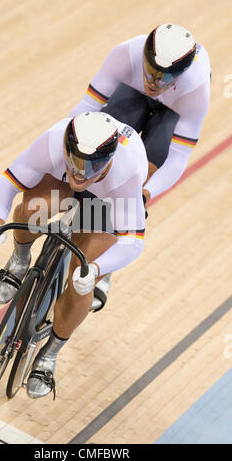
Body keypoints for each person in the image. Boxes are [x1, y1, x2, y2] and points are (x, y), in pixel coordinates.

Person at [0, 111, 147, 399]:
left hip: (104, 202)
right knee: (34, 210)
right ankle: (19, 262)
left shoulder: (127, 169)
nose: (81, 171)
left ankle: (49, 355)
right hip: (62, 185)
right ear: (67, 146)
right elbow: (7, 182)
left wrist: (95, 270)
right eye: (75, 160)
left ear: (109, 160)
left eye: (92, 164)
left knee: (81, 279)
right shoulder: (54, 140)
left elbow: (133, 241)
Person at [70, 23, 211, 308]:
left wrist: (145, 193)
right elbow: (85, 110)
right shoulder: (127, 54)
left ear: (181, 74)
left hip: (173, 109)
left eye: (166, 76)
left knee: (143, 171)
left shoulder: (196, 89)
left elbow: (178, 157)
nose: (155, 81)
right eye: (151, 70)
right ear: (144, 56)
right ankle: (90, 220)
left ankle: (107, 250)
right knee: (104, 140)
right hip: (132, 93)